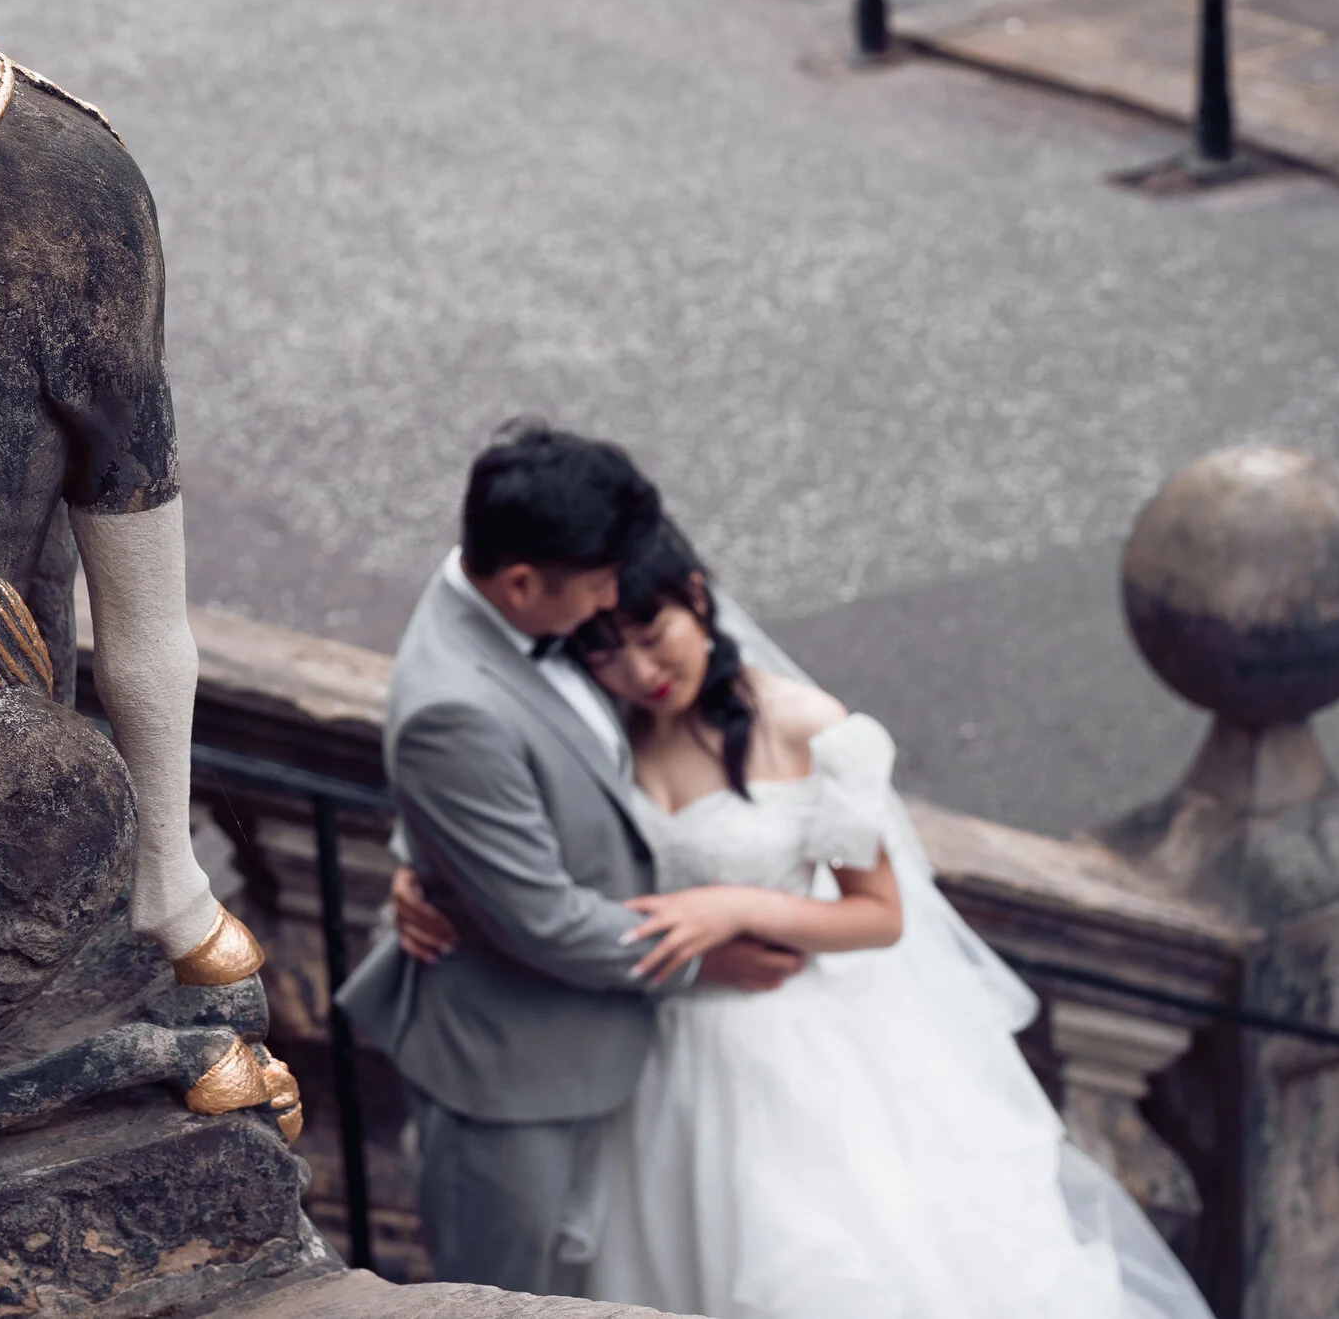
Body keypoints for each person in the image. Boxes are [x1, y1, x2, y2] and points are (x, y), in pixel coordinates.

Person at [385, 517, 1212, 1318]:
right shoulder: (596, 729)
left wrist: (739, 905)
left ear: (698, 598)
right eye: (606, 649)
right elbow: (518, 833)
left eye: (654, 631)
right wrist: (428, 878)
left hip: (794, 1048)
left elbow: (879, 915)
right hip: (648, 1044)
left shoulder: (808, 726)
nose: (640, 670)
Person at [334, 424, 806, 1297]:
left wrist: (427, 858)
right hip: (514, 1081)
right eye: (596, 587)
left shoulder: (516, 598)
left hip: (606, 1045)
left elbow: (513, 803)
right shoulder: (455, 709)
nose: (609, 604)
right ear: (521, 582)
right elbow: (544, 919)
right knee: (503, 1297)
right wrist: (703, 956)